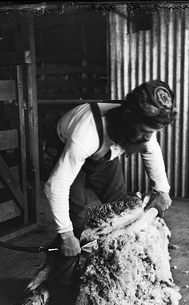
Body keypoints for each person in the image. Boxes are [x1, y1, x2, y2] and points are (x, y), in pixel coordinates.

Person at [43, 80, 177, 282]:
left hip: (104, 152)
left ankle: (119, 267)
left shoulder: (137, 128)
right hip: (68, 146)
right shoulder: (85, 135)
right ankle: (62, 279)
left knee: (121, 208)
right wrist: (65, 234)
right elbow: (55, 186)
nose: (148, 137)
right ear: (128, 118)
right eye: (145, 131)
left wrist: (162, 191)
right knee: (76, 217)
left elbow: (151, 150)